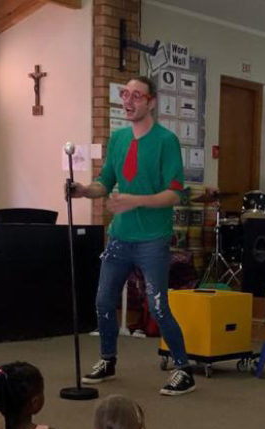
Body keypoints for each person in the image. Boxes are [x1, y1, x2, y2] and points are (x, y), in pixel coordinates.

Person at [68, 76, 195, 397]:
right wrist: (83, 190)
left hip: (153, 238)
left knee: (158, 305)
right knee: (103, 301)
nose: (128, 100)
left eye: (137, 95)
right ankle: (107, 359)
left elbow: (174, 194)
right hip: (120, 236)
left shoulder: (166, 141)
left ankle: (184, 368)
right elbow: (104, 182)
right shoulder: (118, 139)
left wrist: (135, 200)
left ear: (151, 102)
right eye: (125, 94)